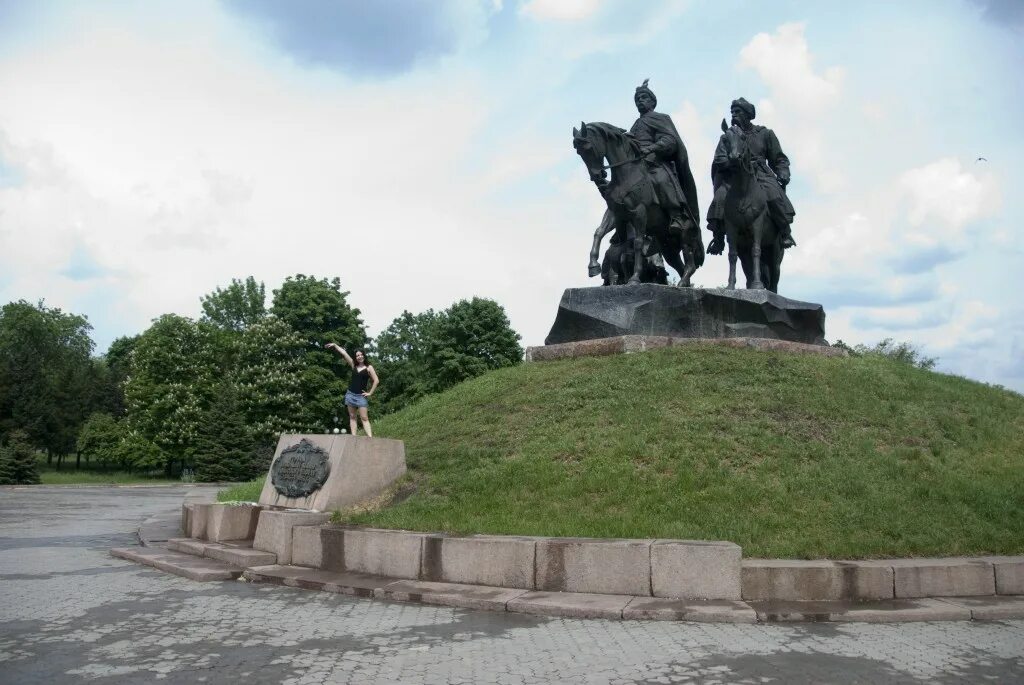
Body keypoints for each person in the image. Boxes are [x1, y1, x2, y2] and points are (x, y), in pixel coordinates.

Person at [707, 97, 797, 252]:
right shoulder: (727, 136)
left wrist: (783, 171)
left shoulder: (765, 134)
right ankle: (718, 238)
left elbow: (779, 158)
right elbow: (719, 159)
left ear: (748, 114)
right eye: (732, 112)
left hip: (761, 175)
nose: (734, 115)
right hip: (734, 178)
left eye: (738, 111)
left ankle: (785, 232)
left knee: (774, 194)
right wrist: (731, 162)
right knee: (720, 197)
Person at [628, 79, 700, 237]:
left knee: (661, 179)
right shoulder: (635, 124)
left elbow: (670, 140)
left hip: (655, 161)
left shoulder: (661, 118)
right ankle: (625, 224)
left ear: (652, 101)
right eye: (637, 99)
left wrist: (651, 148)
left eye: (643, 98)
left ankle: (676, 216)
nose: (640, 101)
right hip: (637, 163)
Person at [324, 343, 378, 437]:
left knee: (364, 418)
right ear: (355, 357)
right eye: (357, 355)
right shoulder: (353, 365)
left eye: (361, 355)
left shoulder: (369, 367)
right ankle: (353, 437)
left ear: (364, 355)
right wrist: (335, 345)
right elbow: (344, 353)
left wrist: (370, 393)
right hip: (350, 395)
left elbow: (376, 380)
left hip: (361, 396)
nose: (360, 356)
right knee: (352, 417)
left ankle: (370, 438)